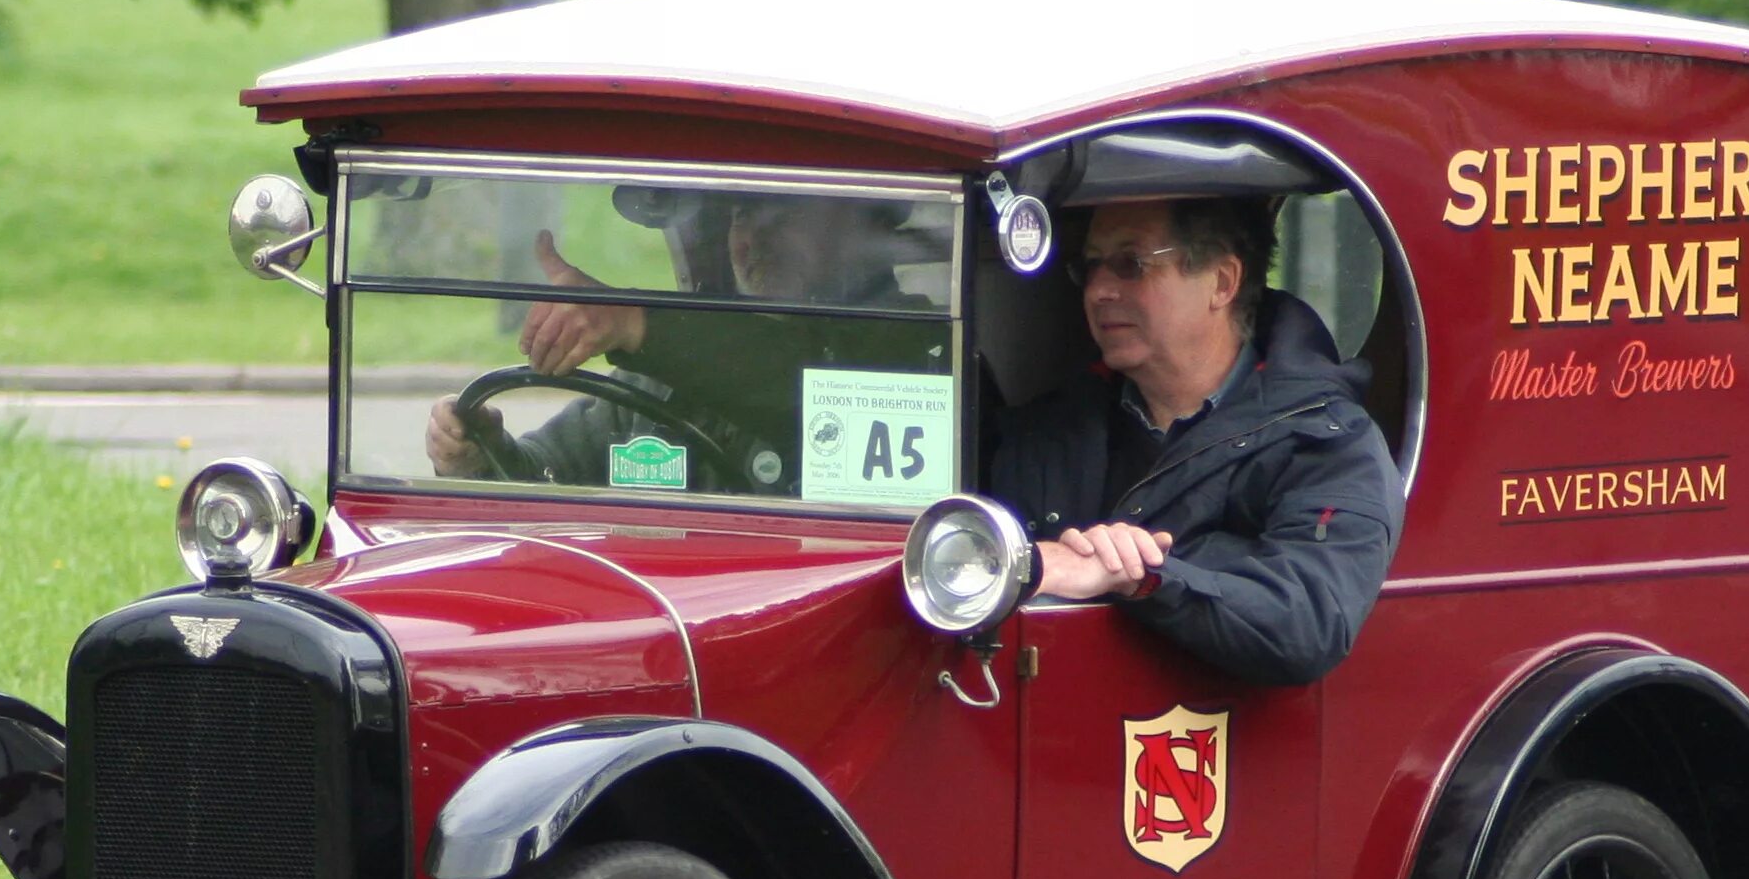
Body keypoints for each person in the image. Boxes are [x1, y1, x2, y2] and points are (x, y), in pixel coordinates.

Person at [985, 196, 1401, 685]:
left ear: (1222, 282)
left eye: (1130, 264)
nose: (1098, 290)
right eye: (1090, 266)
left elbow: (1307, 621)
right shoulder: (1044, 430)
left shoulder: (1327, 439)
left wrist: (1142, 575)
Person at [424, 195, 944, 488]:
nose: (754, 239)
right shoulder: (661, 372)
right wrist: (479, 455)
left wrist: (633, 321)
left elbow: (807, 387)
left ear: (859, 231)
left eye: (784, 216)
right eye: (742, 217)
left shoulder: (914, 347)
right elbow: (553, 474)